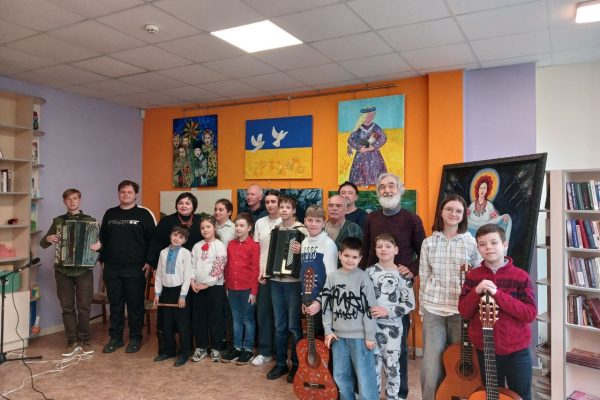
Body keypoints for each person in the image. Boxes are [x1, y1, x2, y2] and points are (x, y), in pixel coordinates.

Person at [362, 172, 425, 399]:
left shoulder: (412, 219)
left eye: (391, 186)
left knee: (397, 351)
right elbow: (366, 250)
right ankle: (372, 392)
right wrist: (361, 279)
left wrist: (412, 270)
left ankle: (399, 394)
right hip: (372, 290)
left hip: (399, 294)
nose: (387, 190)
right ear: (377, 191)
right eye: (382, 187)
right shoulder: (371, 218)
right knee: (371, 349)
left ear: (401, 189)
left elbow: (423, 252)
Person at [458, 224, 536, 400]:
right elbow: (464, 311)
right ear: (478, 248)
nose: (488, 248)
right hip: (485, 349)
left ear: (505, 245)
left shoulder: (520, 276)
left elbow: (529, 313)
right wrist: (476, 291)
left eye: (494, 242)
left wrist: (497, 294)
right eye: (483, 244)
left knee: (521, 395)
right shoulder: (473, 276)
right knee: (492, 394)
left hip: (517, 350)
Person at [419, 194, 481, 399]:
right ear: (441, 212)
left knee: (459, 362)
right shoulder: (428, 243)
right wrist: (422, 310)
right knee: (431, 364)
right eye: (449, 209)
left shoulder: (471, 243)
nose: (453, 214)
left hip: (461, 310)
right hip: (433, 308)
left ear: (464, 216)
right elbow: (424, 277)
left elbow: (478, 275)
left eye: (458, 211)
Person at [40, 188, 101, 357]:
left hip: (84, 270)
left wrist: (99, 245)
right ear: (64, 202)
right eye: (68, 199)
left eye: (75, 198)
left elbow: (101, 243)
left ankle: (84, 340)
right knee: (67, 306)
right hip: (62, 270)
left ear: (79, 200)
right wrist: (48, 238)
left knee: (84, 306)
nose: (72, 201)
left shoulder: (90, 221)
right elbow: (43, 243)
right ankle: (71, 341)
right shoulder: (58, 221)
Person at [99, 180, 156, 354]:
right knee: (115, 305)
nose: (126, 195)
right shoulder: (110, 213)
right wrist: (102, 260)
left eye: (129, 192)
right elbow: (102, 239)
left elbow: (153, 240)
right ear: (118, 193)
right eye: (122, 192)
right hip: (112, 267)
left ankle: (135, 338)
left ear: (135, 194)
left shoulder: (144, 214)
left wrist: (150, 262)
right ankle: (115, 338)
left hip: (136, 268)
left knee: (134, 305)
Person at [320, 237, 378, 400]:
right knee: (340, 375)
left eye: (354, 257)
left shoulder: (363, 278)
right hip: (338, 337)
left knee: (365, 378)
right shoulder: (332, 277)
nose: (350, 260)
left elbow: (369, 308)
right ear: (340, 255)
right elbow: (326, 305)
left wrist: (370, 336)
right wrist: (327, 330)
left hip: (360, 338)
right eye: (346, 256)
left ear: (360, 258)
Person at [146, 192, 202, 357]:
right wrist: (152, 263)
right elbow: (155, 243)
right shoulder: (166, 222)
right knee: (166, 319)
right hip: (167, 281)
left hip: (187, 278)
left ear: (194, 206)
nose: (184, 205)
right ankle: (167, 349)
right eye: (181, 202)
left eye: (188, 203)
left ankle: (186, 350)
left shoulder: (199, 222)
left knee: (184, 318)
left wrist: (184, 292)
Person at [367, 233, 415, 400]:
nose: (383, 249)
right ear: (375, 250)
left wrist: (387, 311)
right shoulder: (369, 272)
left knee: (392, 366)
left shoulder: (402, 274)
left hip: (393, 328)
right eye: (379, 246)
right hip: (371, 328)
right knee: (373, 367)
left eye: (388, 246)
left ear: (396, 250)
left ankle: (393, 397)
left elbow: (410, 304)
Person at [266, 195, 308, 383]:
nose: (283, 210)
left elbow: (311, 256)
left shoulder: (302, 230)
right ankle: (281, 363)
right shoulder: (275, 230)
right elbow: (270, 254)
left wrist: (301, 250)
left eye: (287, 207)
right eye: (281, 207)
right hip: (276, 281)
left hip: (294, 282)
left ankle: (297, 365)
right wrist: (266, 271)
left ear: (294, 210)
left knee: (294, 326)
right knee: (279, 325)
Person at [221, 212, 260, 365]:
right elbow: (227, 267)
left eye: (242, 225)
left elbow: (255, 270)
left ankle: (248, 349)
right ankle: (237, 348)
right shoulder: (231, 244)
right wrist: (227, 286)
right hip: (232, 288)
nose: (238, 228)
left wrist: (254, 292)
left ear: (249, 228)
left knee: (247, 319)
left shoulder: (254, 246)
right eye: (236, 225)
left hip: (247, 289)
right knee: (236, 319)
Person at [153, 226, 193, 367]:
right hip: (166, 292)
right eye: (175, 235)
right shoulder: (163, 253)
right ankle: (169, 351)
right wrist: (157, 293)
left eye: (181, 237)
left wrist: (183, 295)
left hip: (180, 292)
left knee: (182, 325)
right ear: (170, 235)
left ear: (185, 241)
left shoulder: (186, 253)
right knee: (167, 324)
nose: (177, 238)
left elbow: (187, 275)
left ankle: (185, 352)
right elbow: (159, 274)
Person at [190, 216, 227, 362]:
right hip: (198, 288)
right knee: (199, 318)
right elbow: (192, 265)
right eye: (202, 228)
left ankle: (216, 348)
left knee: (215, 318)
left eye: (208, 227)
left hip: (214, 287)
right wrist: (192, 281)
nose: (205, 230)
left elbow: (219, 266)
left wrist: (207, 283)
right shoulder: (197, 246)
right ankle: (201, 347)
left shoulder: (219, 245)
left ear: (214, 228)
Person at [252, 190, 281, 367]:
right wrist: (258, 272)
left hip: (282, 277)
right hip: (263, 275)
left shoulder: (287, 222)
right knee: (263, 314)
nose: (270, 205)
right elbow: (257, 250)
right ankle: (265, 352)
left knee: (280, 316)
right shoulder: (260, 223)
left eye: (273, 201)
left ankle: (280, 353)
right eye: (267, 202)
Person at [301, 205, 338, 336]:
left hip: (323, 302)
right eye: (310, 220)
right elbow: (304, 273)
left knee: (323, 340)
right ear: (305, 221)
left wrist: (319, 301)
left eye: (317, 221)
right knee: (312, 337)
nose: (313, 224)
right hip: (308, 300)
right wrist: (304, 299)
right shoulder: (304, 243)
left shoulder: (328, 244)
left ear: (323, 223)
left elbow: (332, 278)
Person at [346, 106, 387, 186]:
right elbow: (350, 139)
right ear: (363, 116)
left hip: (374, 157)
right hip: (361, 156)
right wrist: (359, 147)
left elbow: (383, 137)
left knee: (375, 176)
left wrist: (373, 147)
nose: (370, 117)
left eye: (372, 115)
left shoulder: (375, 127)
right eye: (368, 115)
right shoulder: (358, 128)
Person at [467, 174, 512, 241]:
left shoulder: (489, 205)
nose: (482, 190)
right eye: (481, 188)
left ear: (487, 190)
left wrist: (503, 218)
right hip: (470, 237)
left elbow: (496, 220)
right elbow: (464, 219)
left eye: (484, 188)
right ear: (477, 190)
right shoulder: (472, 205)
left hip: (484, 236)